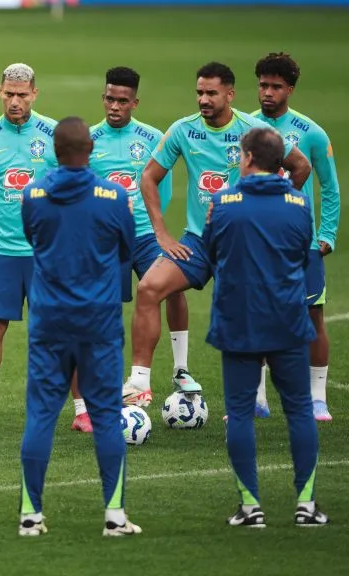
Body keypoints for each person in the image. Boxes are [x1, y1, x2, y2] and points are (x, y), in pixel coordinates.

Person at [122, 61, 311, 407]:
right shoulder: (183, 130)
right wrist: (161, 234)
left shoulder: (253, 131)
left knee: (248, 313)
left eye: (211, 93)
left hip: (240, 242)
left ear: (229, 94)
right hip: (199, 241)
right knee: (149, 288)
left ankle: (255, 396)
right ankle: (139, 383)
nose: (203, 99)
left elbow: (300, 166)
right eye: (199, 93)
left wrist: (276, 206)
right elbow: (148, 177)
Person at [17, 117, 139, 537]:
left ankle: (30, 516)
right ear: (90, 148)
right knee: (105, 417)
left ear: (54, 149)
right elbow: (127, 249)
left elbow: (33, 239)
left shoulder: (33, 194)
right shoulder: (114, 196)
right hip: (99, 322)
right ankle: (115, 517)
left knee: (41, 415)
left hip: (49, 319)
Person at [202, 127, 327, 528]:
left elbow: (211, 252)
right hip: (288, 321)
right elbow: (299, 249)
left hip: (239, 321)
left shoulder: (223, 204)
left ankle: (250, 507)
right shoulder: (298, 204)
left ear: (250, 158)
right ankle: (306, 505)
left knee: (239, 413)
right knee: (299, 411)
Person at [0, 63, 88, 434]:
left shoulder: (54, 135)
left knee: (65, 330)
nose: (15, 101)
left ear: (35, 93)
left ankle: (82, 411)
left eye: (22, 94)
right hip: (1, 251)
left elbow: (72, 184)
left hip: (49, 253)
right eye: (9, 94)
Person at [88, 66, 190, 396]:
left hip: (146, 236)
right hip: (108, 241)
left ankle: (181, 368)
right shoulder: (89, 140)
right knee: (104, 309)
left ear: (135, 102)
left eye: (122, 101)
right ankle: (110, 381)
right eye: (109, 99)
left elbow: (164, 188)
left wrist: (153, 224)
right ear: (103, 99)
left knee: (173, 289)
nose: (114, 106)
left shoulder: (151, 138)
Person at [251, 52, 340, 422]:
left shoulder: (312, 133)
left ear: (290, 89)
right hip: (257, 241)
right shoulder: (245, 127)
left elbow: (330, 187)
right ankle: (256, 398)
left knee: (312, 315)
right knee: (254, 317)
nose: (267, 92)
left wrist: (328, 235)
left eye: (275, 86)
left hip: (300, 242)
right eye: (262, 85)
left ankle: (317, 397)